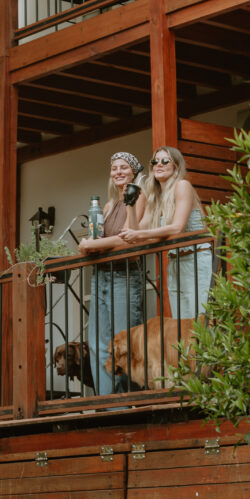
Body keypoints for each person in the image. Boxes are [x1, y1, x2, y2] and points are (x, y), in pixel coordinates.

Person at [78, 150, 145, 394]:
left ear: (134, 172)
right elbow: (102, 238)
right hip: (101, 276)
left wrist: (89, 244)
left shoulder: (138, 197)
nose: (118, 171)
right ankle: (105, 400)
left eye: (124, 167)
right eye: (114, 167)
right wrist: (91, 245)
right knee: (97, 342)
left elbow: (128, 238)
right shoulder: (107, 206)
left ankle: (127, 398)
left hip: (124, 275)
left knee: (123, 341)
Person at [121, 146, 212, 318]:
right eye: (155, 161)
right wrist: (130, 204)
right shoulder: (154, 198)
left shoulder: (182, 186)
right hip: (175, 262)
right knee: (181, 324)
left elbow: (177, 227)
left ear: (176, 166)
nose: (159, 165)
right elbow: (135, 232)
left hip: (196, 260)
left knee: (201, 319)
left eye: (165, 161)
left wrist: (138, 235)